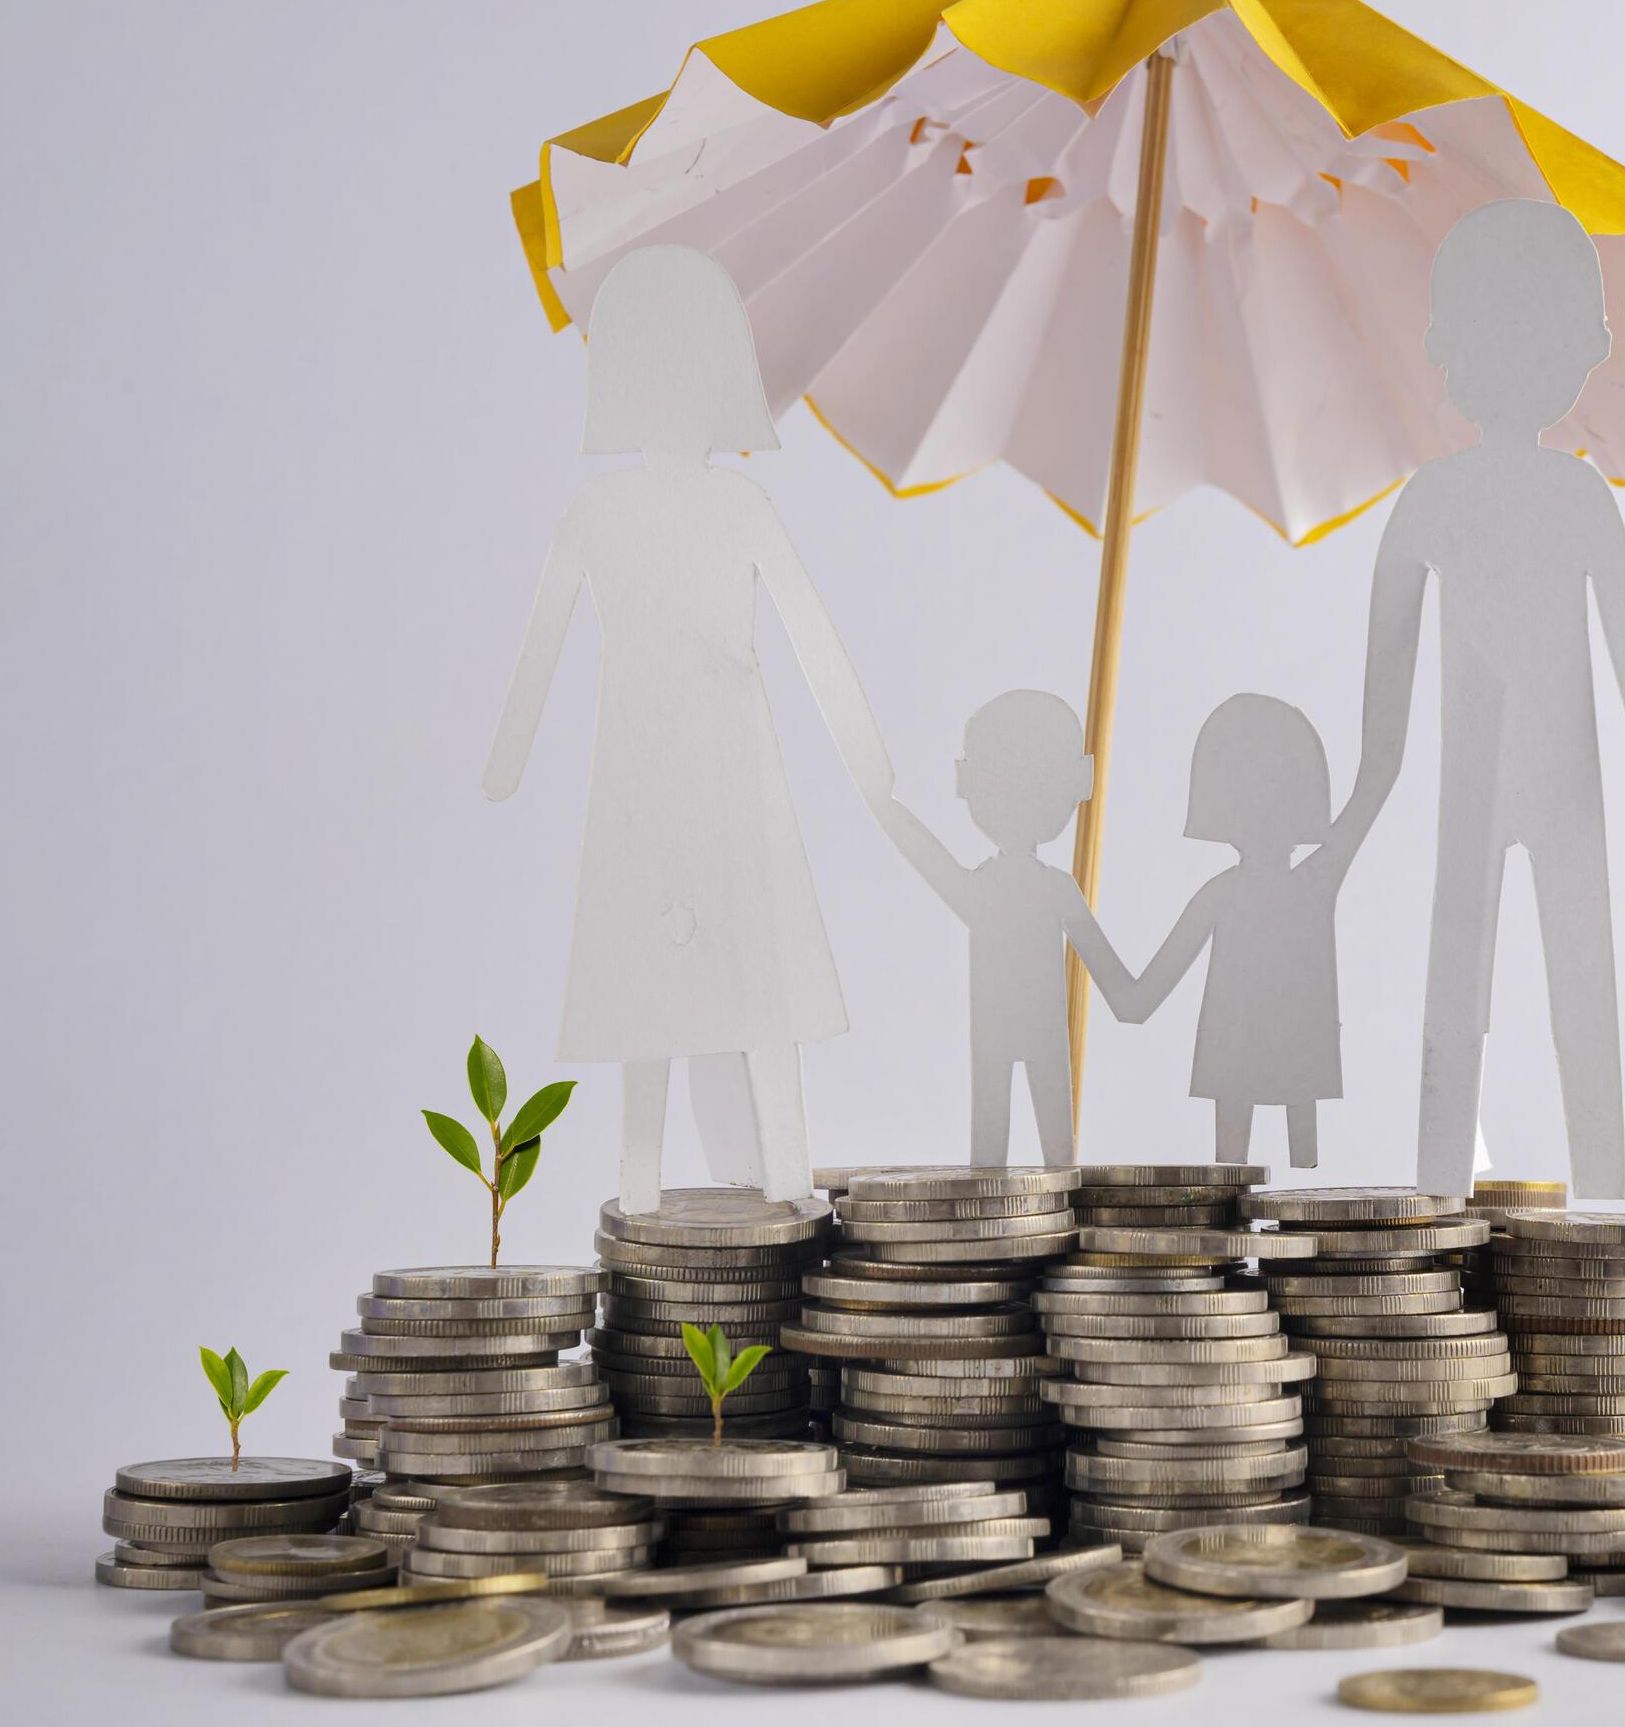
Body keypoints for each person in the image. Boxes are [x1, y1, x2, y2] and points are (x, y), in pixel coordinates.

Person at [483, 245, 892, 1209]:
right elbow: (813, 640)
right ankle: (741, 1174)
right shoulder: (725, 503)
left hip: (664, 769)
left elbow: (539, 655)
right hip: (702, 767)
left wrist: (506, 758)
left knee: (657, 991)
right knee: (740, 985)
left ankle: (662, 1178)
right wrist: (868, 759)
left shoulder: (603, 511)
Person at [1345, 199, 1625, 1199]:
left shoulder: (1520, 496)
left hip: (1540, 777)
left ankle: (1593, 1179)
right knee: (1479, 980)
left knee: (1565, 975)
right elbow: (1395, 647)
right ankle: (1452, 1180)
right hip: (1489, 778)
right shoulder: (1470, 497)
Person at [871, 690, 1141, 1166]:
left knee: (1033, 1161)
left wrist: (886, 805)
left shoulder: (1004, 889)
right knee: (1012, 1160)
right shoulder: (1031, 888)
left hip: (1019, 1037)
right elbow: (1124, 993)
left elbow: (1123, 993)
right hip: (1019, 1037)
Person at [1124, 693, 1370, 1168]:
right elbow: (1138, 1000)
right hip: (1248, 1060)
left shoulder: (1290, 886)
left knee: (1291, 1174)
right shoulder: (1304, 884)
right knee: (1238, 1171)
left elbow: (1139, 998)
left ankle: (1296, 1198)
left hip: (1260, 1060)